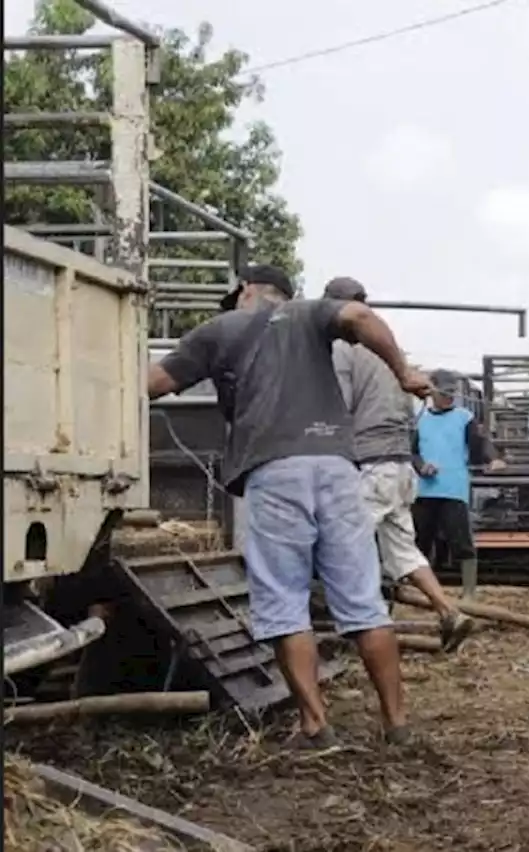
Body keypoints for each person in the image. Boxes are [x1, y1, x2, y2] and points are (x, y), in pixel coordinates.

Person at [148, 264, 428, 749]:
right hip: (340, 468)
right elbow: (360, 316)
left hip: (274, 471)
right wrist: (402, 370)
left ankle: (317, 727)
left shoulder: (219, 329)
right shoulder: (311, 316)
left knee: (284, 602)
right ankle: (397, 723)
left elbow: (149, 384)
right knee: (363, 600)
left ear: (246, 291)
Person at [324, 277, 475, 653]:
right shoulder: (392, 352)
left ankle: (362, 624)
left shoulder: (344, 348)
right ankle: (448, 610)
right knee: (403, 551)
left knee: (344, 544)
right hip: (399, 467)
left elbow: (339, 404)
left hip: (369, 463)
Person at [411, 368, 506, 601]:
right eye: (444, 391)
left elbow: (481, 442)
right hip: (424, 490)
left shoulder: (464, 417)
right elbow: (412, 452)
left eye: (452, 392)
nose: (449, 396)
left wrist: (493, 458)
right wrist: (422, 466)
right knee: (420, 540)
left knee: (461, 540)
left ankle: (469, 592)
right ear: (432, 390)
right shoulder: (419, 420)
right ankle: (419, 590)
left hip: (453, 488)